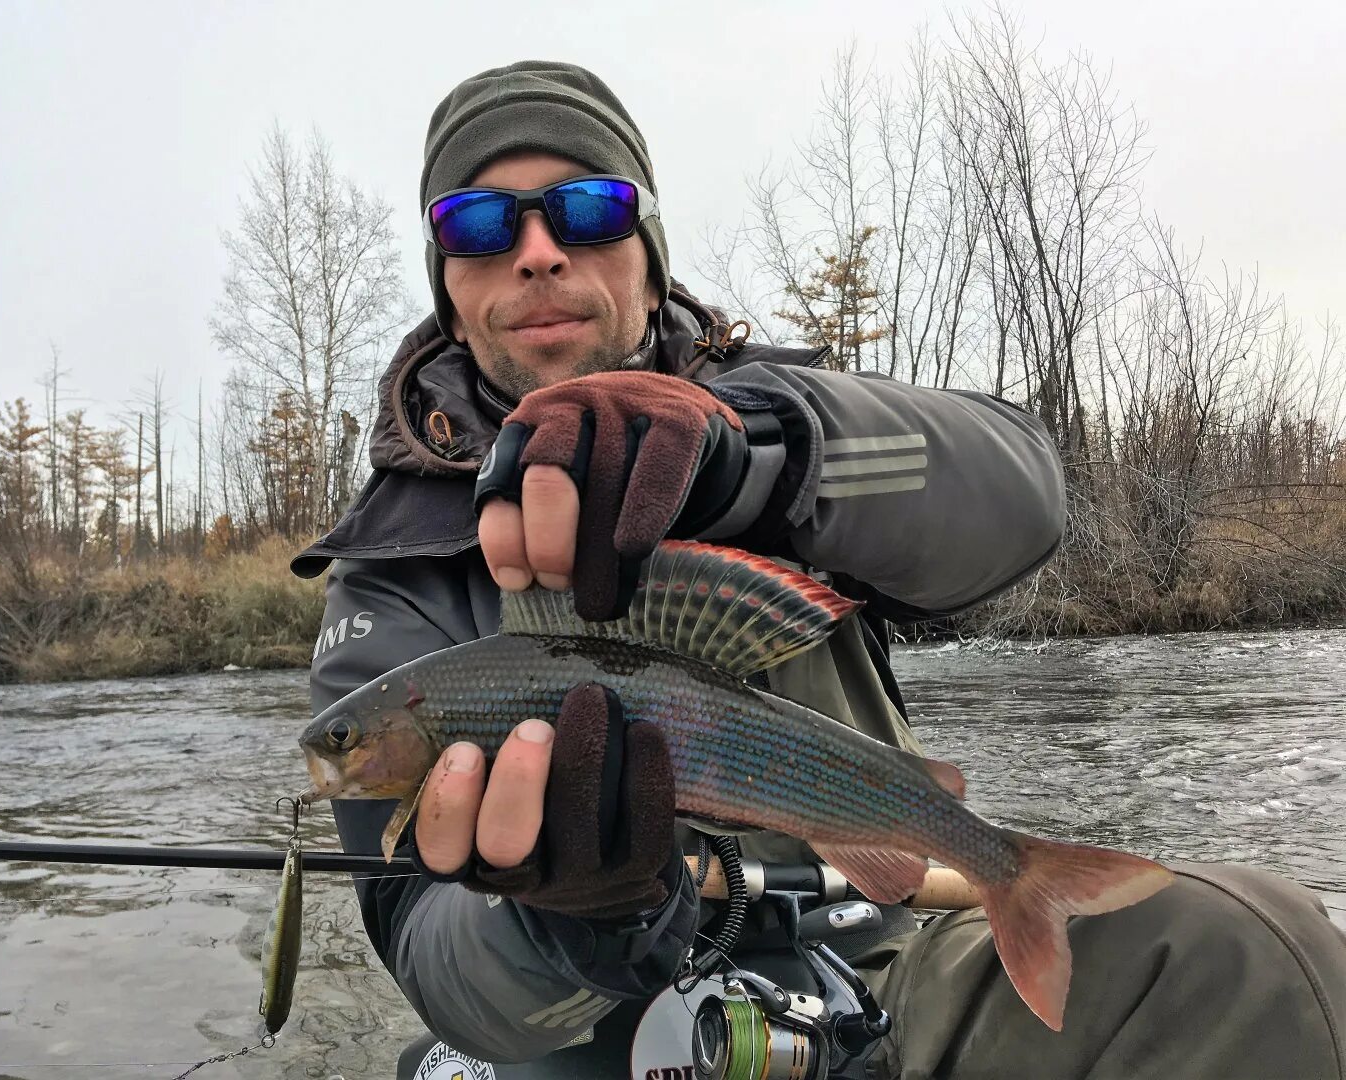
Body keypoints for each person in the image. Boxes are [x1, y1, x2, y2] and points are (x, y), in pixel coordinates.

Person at [294, 61, 1346, 1080]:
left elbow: (1030, 492)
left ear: (648, 251)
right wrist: (572, 927)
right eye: (478, 223)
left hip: (875, 968)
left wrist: (761, 457)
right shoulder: (388, 573)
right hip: (592, 1039)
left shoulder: (770, 416)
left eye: (587, 209)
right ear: (446, 278)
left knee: (1254, 953)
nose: (536, 251)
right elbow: (435, 966)